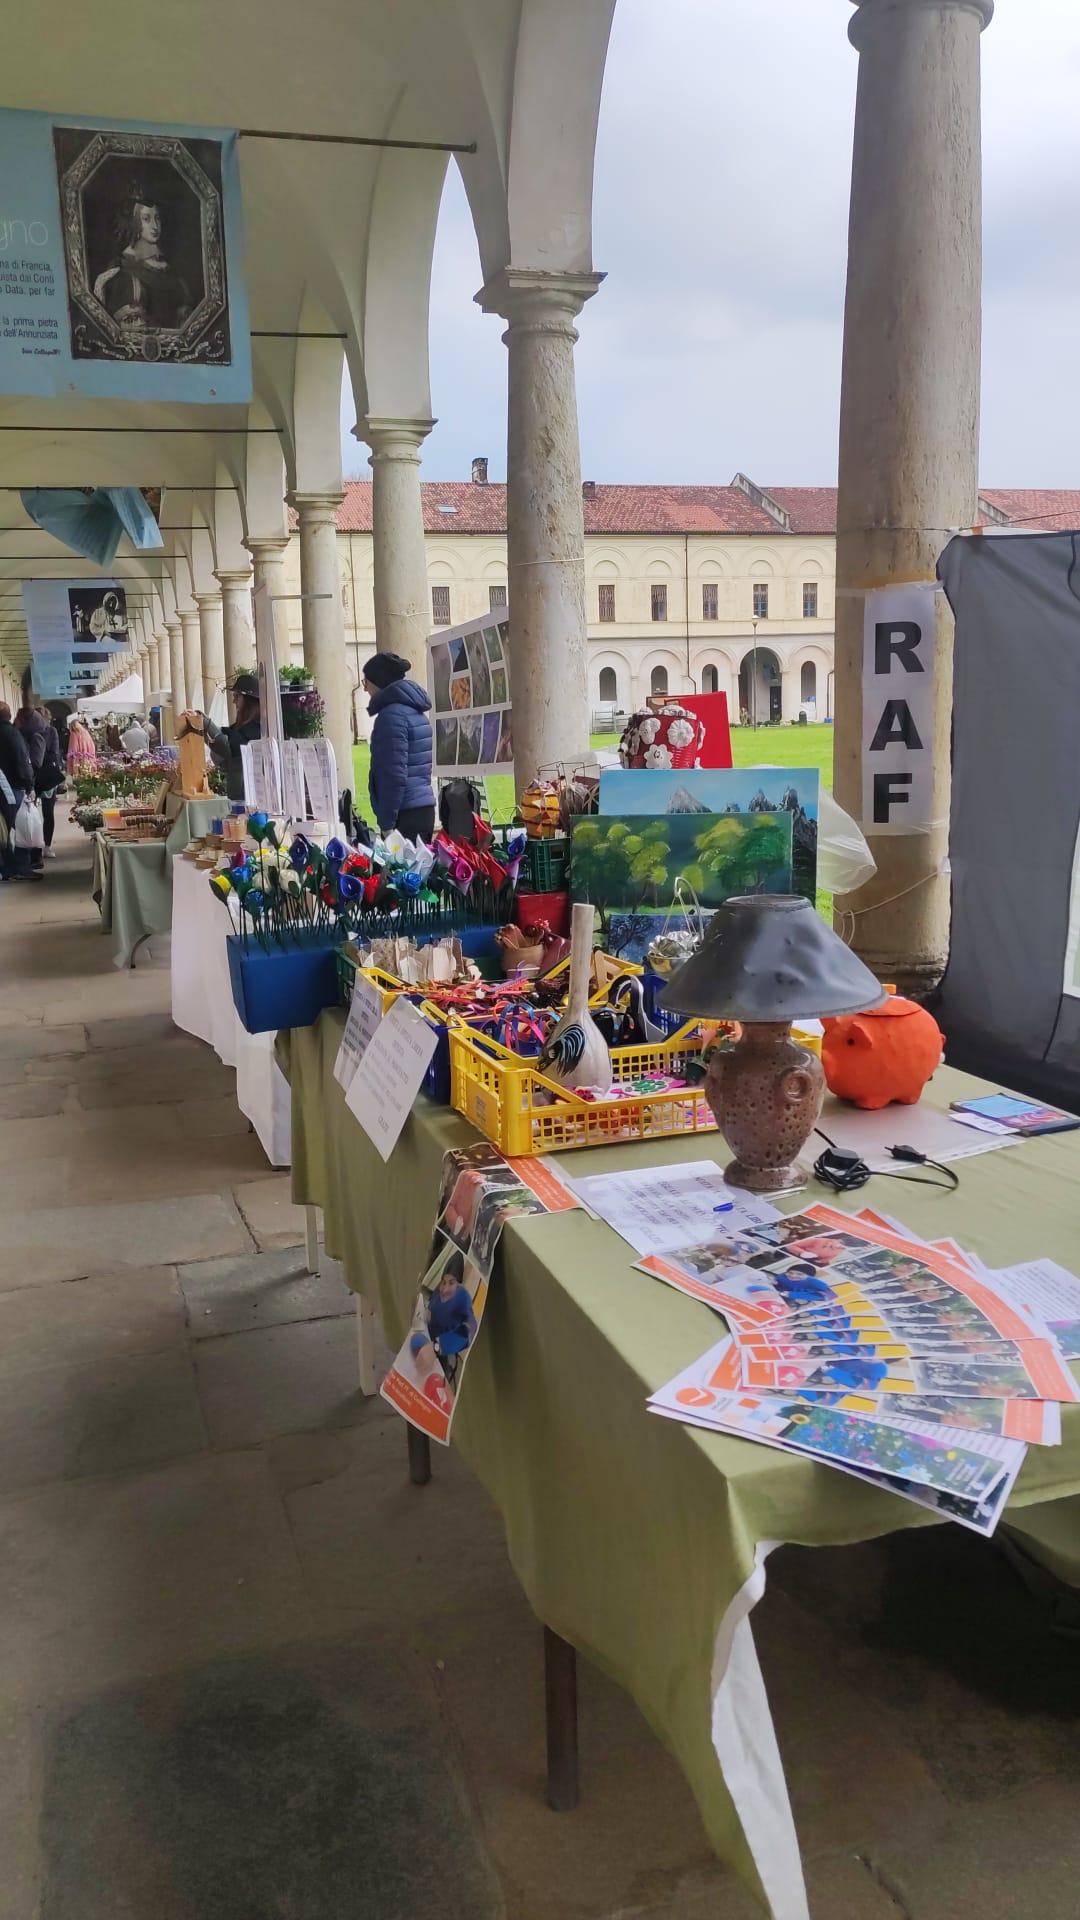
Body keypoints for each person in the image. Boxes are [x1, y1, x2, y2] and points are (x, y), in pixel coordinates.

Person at [93, 190, 191, 332]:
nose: (155, 226)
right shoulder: (120, 269)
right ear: (135, 223)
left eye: (157, 218)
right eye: (146, 219)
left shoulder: (171, 271)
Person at [363, 652, 435, 841]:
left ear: (378, 681)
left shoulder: (391, 717)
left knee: (401, 870)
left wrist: (387, 824)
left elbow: (393, 775)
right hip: (422, 808)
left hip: (405, 814)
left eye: (366, 682)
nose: (365, 689)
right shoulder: (414, 711)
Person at [179, 674, 260, 802]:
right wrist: (199, 725)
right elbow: (222, 741)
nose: (234, 701)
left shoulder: (256, 727)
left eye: (237, 696)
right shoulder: (244, 726)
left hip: (248, 797)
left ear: (248, 700)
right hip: (239, 794)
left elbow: (227, 747)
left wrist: (204, 723)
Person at [15, 705, 61, 865]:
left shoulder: (50, 732)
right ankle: (36, 851)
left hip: (47, 775)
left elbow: (54, 752)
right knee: (32, 813)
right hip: (33, 777)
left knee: (48, 812)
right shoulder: (28, 733)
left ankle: (46, 845)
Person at [0, 703, 38, 881]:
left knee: (5, 829)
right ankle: (20, 867)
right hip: (13, 788)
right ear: (9, 715)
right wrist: (29, 786)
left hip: (3, 787)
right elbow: (23, 761)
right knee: (21, 827)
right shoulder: (12, 734)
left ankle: (7, 868)